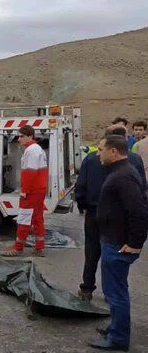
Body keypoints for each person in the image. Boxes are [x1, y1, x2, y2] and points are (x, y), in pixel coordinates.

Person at [86, 134, 148, 352]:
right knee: (114, 290)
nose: (97, 153)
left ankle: (118, 339)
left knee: (116, 292)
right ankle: (115, 328)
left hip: (118, 244)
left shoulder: (123, 176)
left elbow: (139, 211)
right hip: (112, 240)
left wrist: (135, 242)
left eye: (101, 149)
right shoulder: (120, 171)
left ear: (113, 151)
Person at [75, 126, 146, 302]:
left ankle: (87, 288)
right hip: (120, 217)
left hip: (94, 212)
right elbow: (142, 188)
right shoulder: (134, 160)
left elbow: (80, 186)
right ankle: (112, 292)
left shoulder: (91, 159)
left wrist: (83, 205)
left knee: (92, 252)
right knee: (117, 253)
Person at [1, 125, 47, 257]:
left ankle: (18, 248)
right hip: (39, 190)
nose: (19, 139)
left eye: (21, 136)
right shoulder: (37, 149)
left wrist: (24, 190)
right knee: (38, 218)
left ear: (30, 136)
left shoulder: (31, 150)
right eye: (18, 136)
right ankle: (39, 247)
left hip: (32, 191)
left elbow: (30, 172)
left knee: (23, 218)